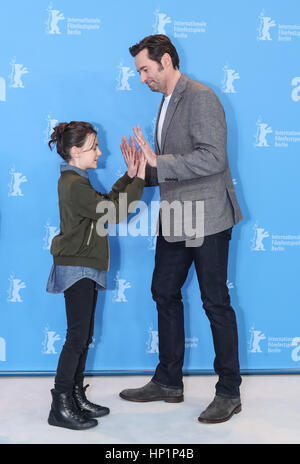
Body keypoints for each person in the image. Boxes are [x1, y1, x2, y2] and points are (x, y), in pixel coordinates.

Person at [119, 35, 243, 424]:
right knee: (163, 292)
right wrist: (143, 172)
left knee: (215, 302)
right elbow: (173, 166)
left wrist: (160, 161)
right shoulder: (165, 102)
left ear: (167, 61)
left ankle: (229, 392)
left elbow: (213, 158)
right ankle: (169, 381)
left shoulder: (201, 96)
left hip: (207, 216)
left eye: (145, 69)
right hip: (176, 216)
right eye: (139, 71)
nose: (142, 78)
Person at [46, 121, 146, 430]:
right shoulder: (74, 184)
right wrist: (139, 178)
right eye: (94, 147)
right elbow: (113, 213)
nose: (100, 152)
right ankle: (61, 404)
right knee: (76, 337)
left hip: (83, 265)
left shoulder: (78, 181)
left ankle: (74, 396)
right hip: (76, 267)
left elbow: (107, 201)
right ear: (75, 151)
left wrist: (128, 176)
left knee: (82, 336)